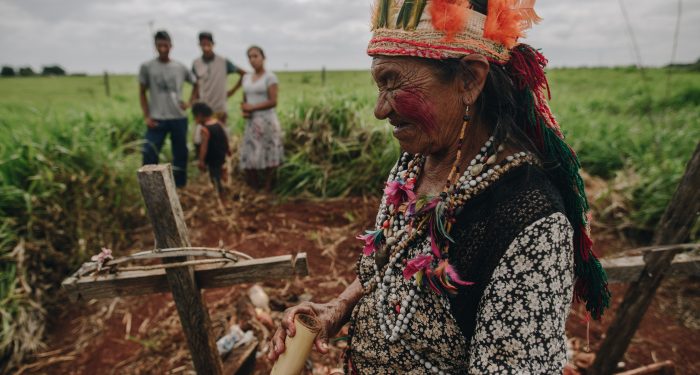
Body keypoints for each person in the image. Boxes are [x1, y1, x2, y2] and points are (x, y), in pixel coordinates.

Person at [268, 1, 611, 374]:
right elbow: (390, 260)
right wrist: (336, 308)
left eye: (392, 82)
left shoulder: (530, 221)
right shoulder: (416, 163)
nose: (380, 110)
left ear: (469, 81)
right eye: (378, 85)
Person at [139, 30, 196, 187]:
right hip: (157, 118)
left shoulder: (180, 67)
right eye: (159, 46)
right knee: (149, 152)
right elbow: (142, 92)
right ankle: (152, 187)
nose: (163, 49)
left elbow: (196, 83)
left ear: (171, 45)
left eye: (166, 45)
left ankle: (179, 186)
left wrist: (189, 102)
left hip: (178, 117)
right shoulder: (147, 67)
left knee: (180, 154)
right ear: (155, 46)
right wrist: (146, 116)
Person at [190, 31, 246, 153]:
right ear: (199, 45)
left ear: (213, 44)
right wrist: (193, 101)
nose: (205, 47)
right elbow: (196, 85)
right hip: (203, 110)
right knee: (202, 140)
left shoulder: (223, 62)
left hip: (219, 108)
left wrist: (232, 91)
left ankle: (223, 168)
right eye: (203, 44)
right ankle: (205, 166)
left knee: (221, 140)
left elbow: (243, 74)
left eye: (208, 44)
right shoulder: (196, 63)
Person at [239, 45, 283, 192]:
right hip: (251, 122)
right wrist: (245, 110)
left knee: (268, 151)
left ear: (263, 58)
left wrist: (253, 107)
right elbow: (245, 99)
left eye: (255, 56)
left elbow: (273, 101)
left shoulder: (270, 77)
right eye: (250, 57)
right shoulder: (246, 77)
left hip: (266, 120)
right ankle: (254, 186)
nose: (252, 60)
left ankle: (268, 186)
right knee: (251, 153)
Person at [192, 102, 230, 194]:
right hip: (221, 155)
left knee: (214, 175)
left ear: (200, 116)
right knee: (220, 170)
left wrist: (201, 161)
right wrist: (228, 150)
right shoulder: (218, 123)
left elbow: (203, 147)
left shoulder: (204, 129)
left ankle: (219, 191)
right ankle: (224, 186)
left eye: (195, 117)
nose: (195, 120)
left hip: (212, 157)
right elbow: (225, 137)